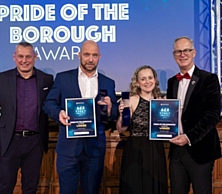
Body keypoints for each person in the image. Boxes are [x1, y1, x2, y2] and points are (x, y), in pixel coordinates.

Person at [42, 40, 118, 194]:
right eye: (87, 54)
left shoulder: (108, 82)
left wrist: (111, 109)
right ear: (79, 55)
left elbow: (115, 114)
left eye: (94, 55)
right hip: (68, 149)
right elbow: (48, 103)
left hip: (95, 149)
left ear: (99, 57)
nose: (90, 59)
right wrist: (59, 113)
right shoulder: (63, 78)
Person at [0, 42, 54, 194]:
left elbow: (53, 105)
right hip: (8, 142)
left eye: (28, 57)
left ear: (35, 57)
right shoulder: (2, 79)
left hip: (35, 143)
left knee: (30, 188)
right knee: (5, 187)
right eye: (20, 56)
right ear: (14, 57)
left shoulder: (46, 79)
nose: (24, 60)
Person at [167, 36, 221, 194]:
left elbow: (212, 115)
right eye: (178, 51)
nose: (182, 54)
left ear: (194, 53)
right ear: (174, 55)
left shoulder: (209, 79)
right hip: (177, 151)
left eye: (186, 50)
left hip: (200, 149)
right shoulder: (172, 82)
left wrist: (188, 137)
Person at [116, 65, 168, 194]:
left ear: (155, 80)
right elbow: (121, 129)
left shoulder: (162, 101)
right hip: (136, 151)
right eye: (143, 79)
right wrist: (122, 115)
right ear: (137, 83)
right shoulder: (130, 100)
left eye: (150, 78)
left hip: (156, 150)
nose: (147, 82)